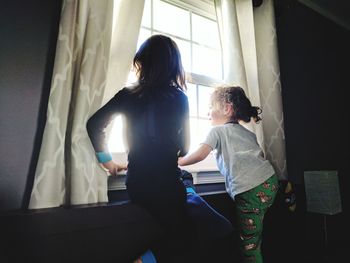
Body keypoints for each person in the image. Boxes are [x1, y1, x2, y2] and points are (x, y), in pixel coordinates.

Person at [87, 34, 190, 262]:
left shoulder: (128, 95)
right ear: (174, 67)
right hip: (166, 183)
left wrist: (108, 161)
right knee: (182, 235)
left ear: (141, 63)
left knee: (151, 230)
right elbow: (184, 149)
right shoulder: (180, 99)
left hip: (137, 182)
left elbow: (94, 124)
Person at [178, 86, 279, 263]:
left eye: (210, 106)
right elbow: (259, 156)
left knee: (248, 246)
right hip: (269, 180)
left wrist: (177, 161)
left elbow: (201, 154)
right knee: (259, 229)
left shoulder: (217, 131)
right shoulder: (248, 134)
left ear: (227, 108)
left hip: (250, 191)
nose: (208, 112)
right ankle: (286, 193)